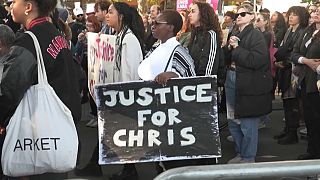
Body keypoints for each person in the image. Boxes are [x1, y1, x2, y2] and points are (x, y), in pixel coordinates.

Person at [1, 0, 81, 179]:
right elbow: (79, 76)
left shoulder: (28, 41)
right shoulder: (58, 35)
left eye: (14, 2)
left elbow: (9, 90)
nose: (11, 6)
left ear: (28, 7)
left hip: (34, 138)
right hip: (58, 131)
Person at [76, 2, 145, 179]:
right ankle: (119, 169)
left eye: (111, 12)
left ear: (121, 16)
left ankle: (124, 170)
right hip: (116, 97)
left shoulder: (128, 40)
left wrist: (120, 99)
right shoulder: (118, 36)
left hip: (122, 98)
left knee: (117, 134)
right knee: (111, 133)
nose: (107, 15)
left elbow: (129, 75)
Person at [225, 3, 272, 164]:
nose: (239, 16)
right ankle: (240, 153)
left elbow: (257, 60)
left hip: (248, 83)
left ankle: (248, 157)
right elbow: (227, 59)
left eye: (243, 14)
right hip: (232, 78)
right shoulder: (235, 32)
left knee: (247, 122)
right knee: (232, 119)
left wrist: (236, 48)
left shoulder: (256, 35)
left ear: (252, 16)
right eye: (237, 14)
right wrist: (228, 47)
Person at [273, 6, 309, 145]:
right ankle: (288, 129)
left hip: (294, 71)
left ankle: (292, 132)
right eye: (290, 15)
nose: (291, 17)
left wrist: (284, 61)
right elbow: (283, 48)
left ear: (301, 17)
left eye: (294, 15)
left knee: (292, 102)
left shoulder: (302, 31)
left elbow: (296, 52)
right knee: (286, 102)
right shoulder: (289, 30)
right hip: (284, 69)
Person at [291, 5, 320, 160]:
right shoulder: (308, 31)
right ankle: (313, 152)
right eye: (315, 11)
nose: (316, 13)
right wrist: (306, 61)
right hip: (305, 81)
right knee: (310, 119)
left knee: (316, 119)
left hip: (317, 84)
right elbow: (294, 53)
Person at [188, 2, 224, 79]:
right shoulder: (194, 34)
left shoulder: (211, 34)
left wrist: (204, 82)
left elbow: (210, 64)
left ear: (203, 13)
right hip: (193, 82)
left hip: (203, 85)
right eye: (190, 11)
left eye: (193, 11)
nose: (189, 15)